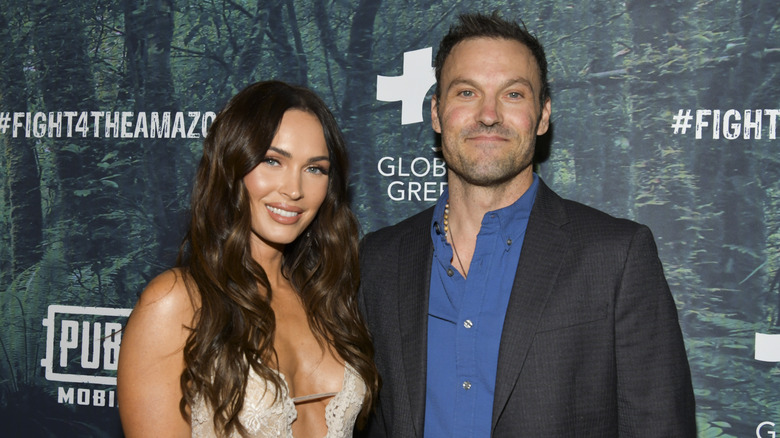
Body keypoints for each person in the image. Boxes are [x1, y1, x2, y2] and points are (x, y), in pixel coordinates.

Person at [357, 12, 696, 437]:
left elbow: (659, 427)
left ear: (542, 116)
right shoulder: (380, 259)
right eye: (466, 92)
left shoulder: (616, 256)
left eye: (513, 94)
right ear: (437, 113)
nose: (488, 114)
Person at [117, 80, 379, 438]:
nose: (294, 189)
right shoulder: (177, 302)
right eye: (273, 161)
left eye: (315, 168)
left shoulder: (327, 298)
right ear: (231, 166)